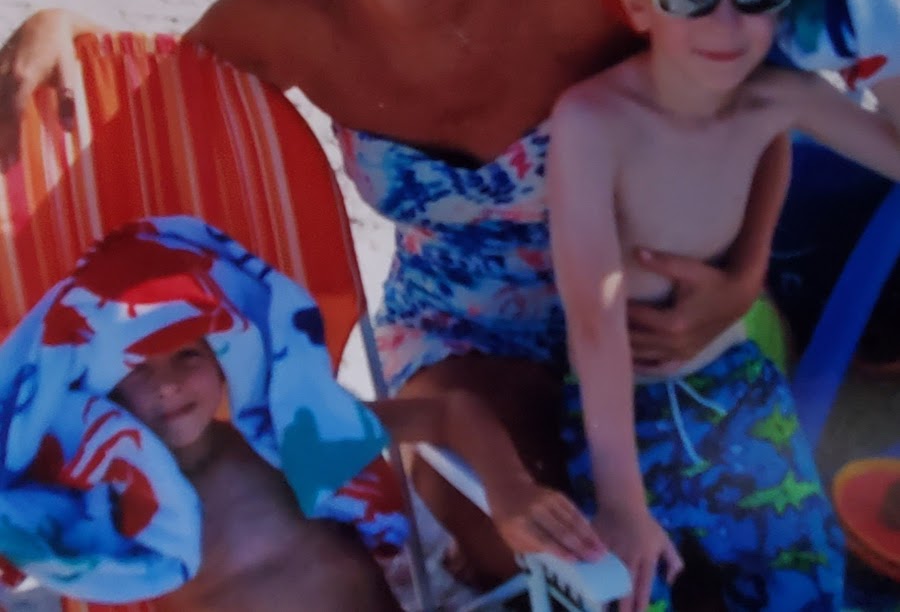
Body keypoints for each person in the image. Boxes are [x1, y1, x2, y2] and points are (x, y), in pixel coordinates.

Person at [0, 0, 790, 585]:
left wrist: (744, 274)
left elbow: (758, 80)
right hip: (458, 328)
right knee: (531, 555)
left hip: (640, 298)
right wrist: (60, 23)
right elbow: (150, 104)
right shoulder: (286, 18)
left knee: (717, 573)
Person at [548, 0, 900, 612]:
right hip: (619, 410)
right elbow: (594, 315)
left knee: (809, 585)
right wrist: (623, 503)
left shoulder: (778, 97)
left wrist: (879, 33)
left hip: (738, 383)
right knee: (635, 591)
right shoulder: (595, 122)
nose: (728, 23)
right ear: (636, 3)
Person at [0, 215, 601, 611]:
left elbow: (449, 414)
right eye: (137, 369)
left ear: (225, 356)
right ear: (100, 384)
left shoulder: (284, 435)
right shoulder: (104, 493)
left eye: (188, 355)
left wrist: (510, 489)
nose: (169, 385)